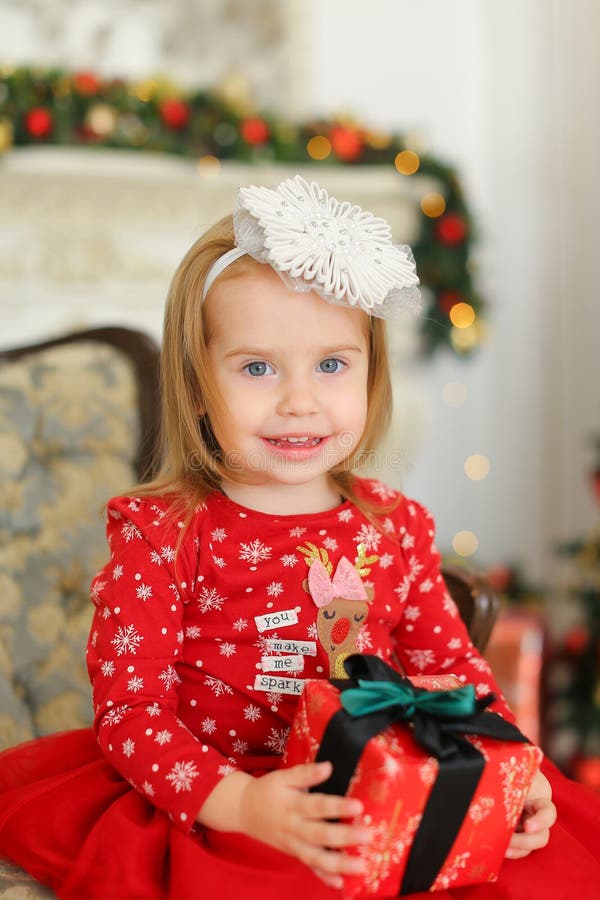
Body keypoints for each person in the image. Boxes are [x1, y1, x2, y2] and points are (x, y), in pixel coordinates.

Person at [0, 175, 598, 900]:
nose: (299, 400)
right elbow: (131, 713)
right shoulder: (163, 533)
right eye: (257, 367)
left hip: (376, 791)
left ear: (370, 374)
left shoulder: (392, 526)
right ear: (195, 387)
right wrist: (240, 804)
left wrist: (516, 770)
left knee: (539, 864)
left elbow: (457, 675)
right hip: (220, 797)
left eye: (331, 364)